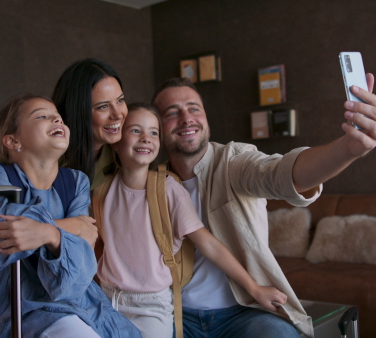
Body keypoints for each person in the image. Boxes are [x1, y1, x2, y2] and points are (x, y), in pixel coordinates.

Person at [150, 75, 376, 338]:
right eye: (172, 113)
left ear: (205, 117)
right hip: (175, 314)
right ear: (157, 127)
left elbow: (280, 173)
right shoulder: (150, 183)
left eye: (193, 108)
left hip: (245, 312)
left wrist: (348, 148)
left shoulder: (234, 161)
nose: (187, 118)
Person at [96, 102, 288, 338]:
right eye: (135, 130)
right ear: (116, 142)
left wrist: (254, 288)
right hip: (106, 299)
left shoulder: (168, 190)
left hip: (151, 306)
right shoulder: (102, 191)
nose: (146, 138)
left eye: (153, 132)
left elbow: (209, 244)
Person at [0, 93, 140, 337]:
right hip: (22, 302)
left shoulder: (76, 181)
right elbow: (8, 237)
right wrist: (66, 229)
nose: (57, 120)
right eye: (42, 116)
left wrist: (48, 233)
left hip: (80, 299)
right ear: (13, 141)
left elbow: (79, 264)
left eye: (58, 117)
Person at [0, 58, 127, 249]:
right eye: (103, 106)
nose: (118, 114)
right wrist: (74, 227)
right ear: (78, 110)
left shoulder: (122, 155)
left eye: (121, 100)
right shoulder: (38, 152)